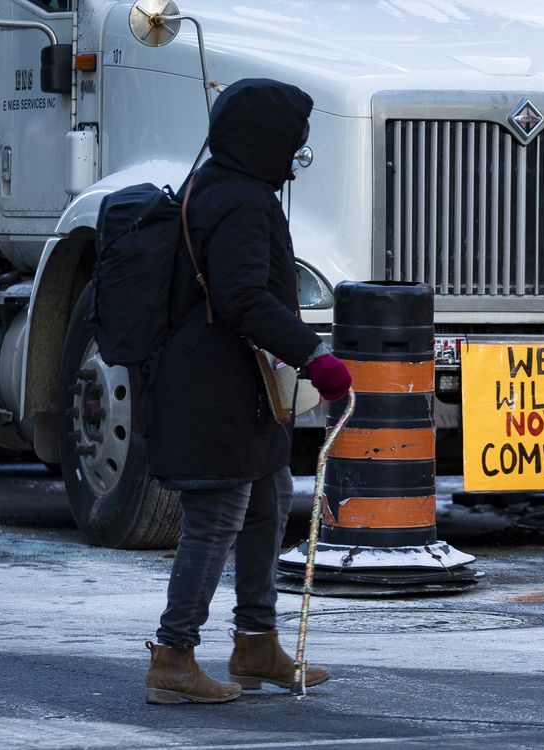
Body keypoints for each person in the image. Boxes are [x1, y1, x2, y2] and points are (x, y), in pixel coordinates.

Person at [142, 78, 352, 705]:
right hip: (215, 383)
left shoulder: (222, 186)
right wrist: (314, 355)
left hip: (240, 381)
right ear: (263, 139)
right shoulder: (239, 201)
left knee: (268, 498)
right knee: (216, 520)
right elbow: (240, 298)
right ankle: (174, 656)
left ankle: (256, 644)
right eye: (292, 142)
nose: (297, 155)